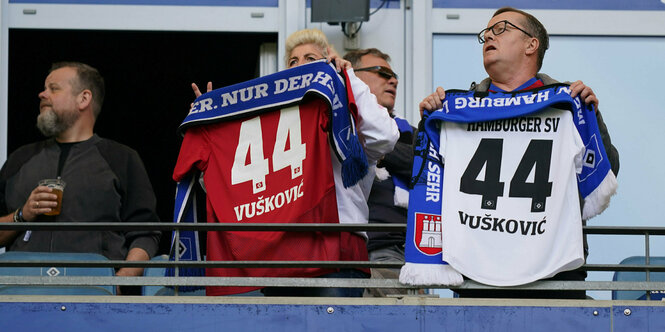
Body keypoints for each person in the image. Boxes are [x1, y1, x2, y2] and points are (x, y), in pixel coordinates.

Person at [419, 7, 619, 299]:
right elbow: (430, 179)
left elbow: (607, 171)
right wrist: (430, 122)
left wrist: (591, 119)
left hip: (556, 275)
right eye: (485, 33)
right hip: (478, 274)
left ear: (531, 44)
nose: (488, 35)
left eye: (500, 29)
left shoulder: (567, 104)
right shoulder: (456, 111)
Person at [189, 29, 398, 297]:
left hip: (337, 251)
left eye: (310, 58)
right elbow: (222, 186)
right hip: (281, 253)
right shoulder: (270, 129)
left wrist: (348, 79)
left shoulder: (347, 116)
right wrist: (215, 126)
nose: (299, 66)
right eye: (292, 62)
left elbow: (386, 136)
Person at [0, 62, 161, 294]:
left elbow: (146, 234)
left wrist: (119, 280)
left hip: (94, 300)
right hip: (18, 296)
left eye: (53, 88)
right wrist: (21, 215)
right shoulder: (20, 159)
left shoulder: (121, 158)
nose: (42, 94)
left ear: (84, 99)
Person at [343, 48, 414, 297]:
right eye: (382, 72)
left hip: (405, 255)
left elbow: (425, 166)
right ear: (354, 77)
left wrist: (377, 148)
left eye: (394, 75)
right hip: (356, 253)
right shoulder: (335, 128)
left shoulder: (408, 132)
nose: (393, 80)